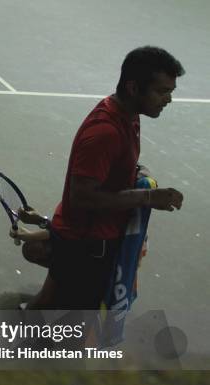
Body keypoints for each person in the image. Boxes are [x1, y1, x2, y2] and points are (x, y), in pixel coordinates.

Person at [22, 46, 185, 310]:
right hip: (87, 245)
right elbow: (82, 197)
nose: (167, 100)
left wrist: (138, 173)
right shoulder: (105, 132)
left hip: (85, 237)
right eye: (162, 91)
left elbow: (115, 167)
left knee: (50, 300)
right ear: (133, 88)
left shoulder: (128, 116)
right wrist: (148, 197)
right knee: (74, 322)